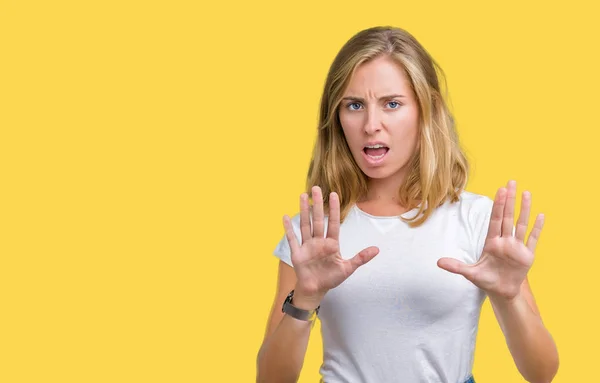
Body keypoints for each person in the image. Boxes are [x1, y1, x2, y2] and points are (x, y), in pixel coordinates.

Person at [256, 26, 559, 383]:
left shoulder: (478, 219)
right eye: (354, 105)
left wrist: (509, 298)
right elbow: (271, 379)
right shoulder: (313, 231)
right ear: (337, 118)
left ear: (426, 109)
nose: (371, 125)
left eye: (392, 104)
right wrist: (305, 298)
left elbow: (542, 372)